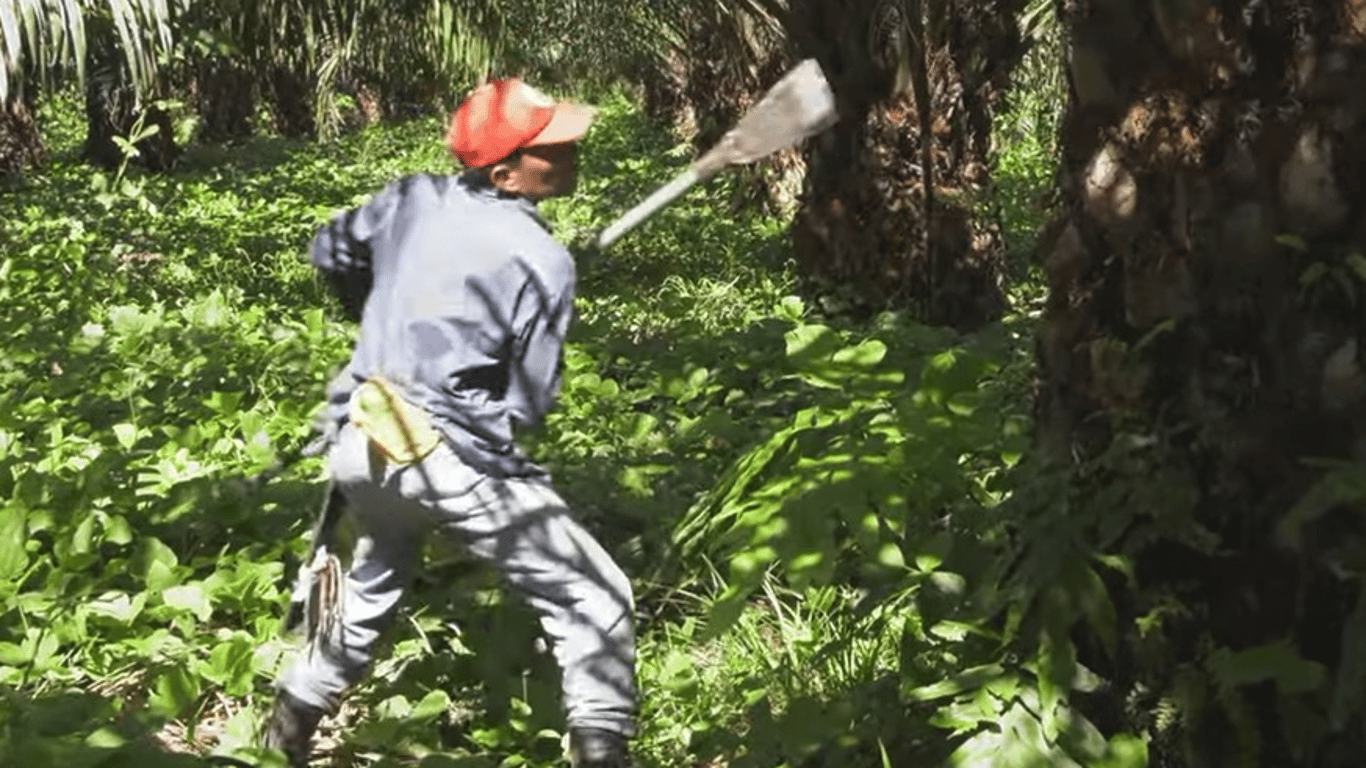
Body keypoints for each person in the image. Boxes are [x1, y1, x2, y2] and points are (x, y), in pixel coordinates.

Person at [261, 77, 637, 768]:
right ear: (504, 173)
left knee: (375, 576)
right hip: (446, 459)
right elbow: (528, 403)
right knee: (598, 596)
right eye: (551, 146)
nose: (570, 151)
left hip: (363, 440)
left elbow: (331, 250)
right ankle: (603, 752)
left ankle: (285, 729)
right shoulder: (543, 261)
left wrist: (388, 312)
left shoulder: (411, 198)